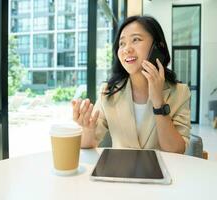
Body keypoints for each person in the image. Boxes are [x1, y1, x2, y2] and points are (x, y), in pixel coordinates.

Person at [72, 15, 191, 153]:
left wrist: (159, 102)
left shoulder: (180, 92)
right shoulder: (109, 91)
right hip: (119, 172)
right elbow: (89, 144)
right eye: (122, 43)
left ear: (158, 47)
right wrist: (87, 128)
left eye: (136, 40)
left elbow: (176, 150)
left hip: (163, 172)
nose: (126, 49)